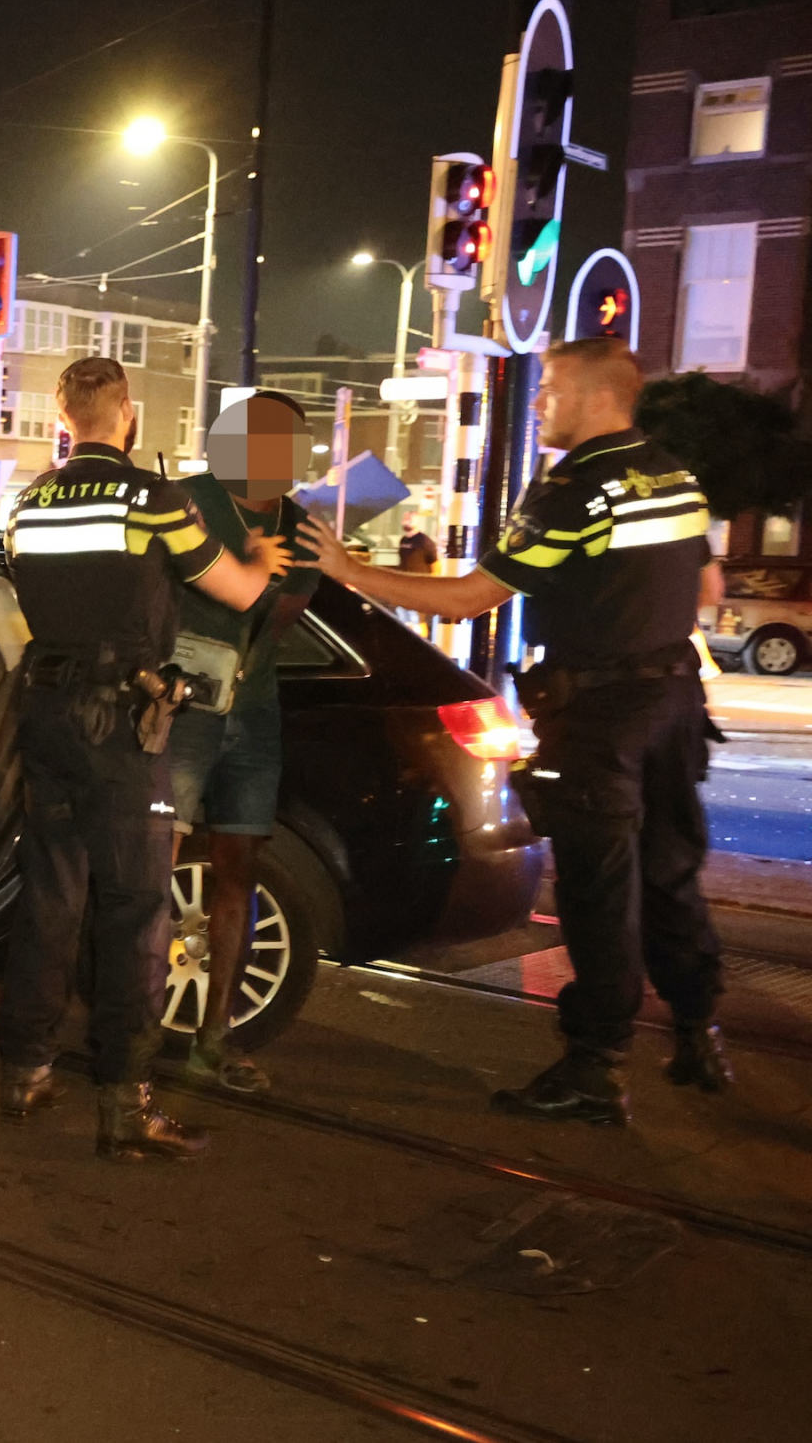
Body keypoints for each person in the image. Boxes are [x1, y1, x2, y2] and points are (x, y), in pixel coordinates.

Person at [303, 337, 725, 1125]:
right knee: (670, 871)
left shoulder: (572, 490)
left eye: (551, 391)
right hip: (674, 705)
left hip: (601, 719)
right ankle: (698, 1028)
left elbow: (467, 600)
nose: (537, 406)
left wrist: (346, 571)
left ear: (599, 397)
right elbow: (707, 580)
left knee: (600, 895)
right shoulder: (670, 472)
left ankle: (596, 1068)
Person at [0, 356, 289, 1162]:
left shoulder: (26, 504)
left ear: (62, 418)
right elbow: (235, 591)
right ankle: (126, 1103)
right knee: (134, 910)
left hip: (48, 713)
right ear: (127, 412)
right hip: (125, 721)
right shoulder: (154, 499)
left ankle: (24, 1071)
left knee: (51, 895)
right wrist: (263, 560)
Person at [163, 392, 325, 1094]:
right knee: (153, 864)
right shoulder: (185, 500)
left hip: (252, 707)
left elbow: (282, 616)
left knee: (240, 868)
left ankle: (213, 1037)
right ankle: (134, 1028)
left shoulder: (302, 527)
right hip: (181, 705)